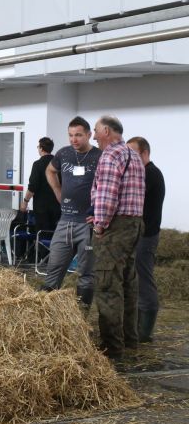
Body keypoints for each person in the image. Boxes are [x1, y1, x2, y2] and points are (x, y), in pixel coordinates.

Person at [90, 116, 145, 360]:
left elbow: (107, 194)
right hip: (134, 224)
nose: (93, 137)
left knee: (107, 284)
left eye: (94, 131)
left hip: (116, 226)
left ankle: (111, 348)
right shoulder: (133, 155)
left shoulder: (111, 155)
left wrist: (100, 224)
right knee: (128, 283)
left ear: (106, 131)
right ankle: (130, 341)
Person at [42, 116, 102, 309]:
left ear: (89, 135)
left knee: (86, 273)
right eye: (70, 135)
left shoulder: (99, 156)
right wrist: (57, 191)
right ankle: (46, 316)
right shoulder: (64, 154)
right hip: (65, 220)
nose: (74, 139)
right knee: (53, 268)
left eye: (78, 135)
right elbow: (50, 171)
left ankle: (80, 319)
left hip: (88, 223)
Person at [126, 137, 164, 344]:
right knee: (137, 279)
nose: (130, 158)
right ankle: (139, 328)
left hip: (146, 236)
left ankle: (145, 332)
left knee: (144, 279)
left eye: (133, 154)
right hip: (140, 234)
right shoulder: (145, 173)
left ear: (145, 153)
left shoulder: (150, 175)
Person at [20, 136, 61, 235]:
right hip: (57, 206)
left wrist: (25, 202)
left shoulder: (38, 164)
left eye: (38, 146)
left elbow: (33, 186)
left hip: (42, 208)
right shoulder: (58, 163)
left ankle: (42, 251)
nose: (38, 148)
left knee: (42, 236)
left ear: (41, 148)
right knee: (55, 235)